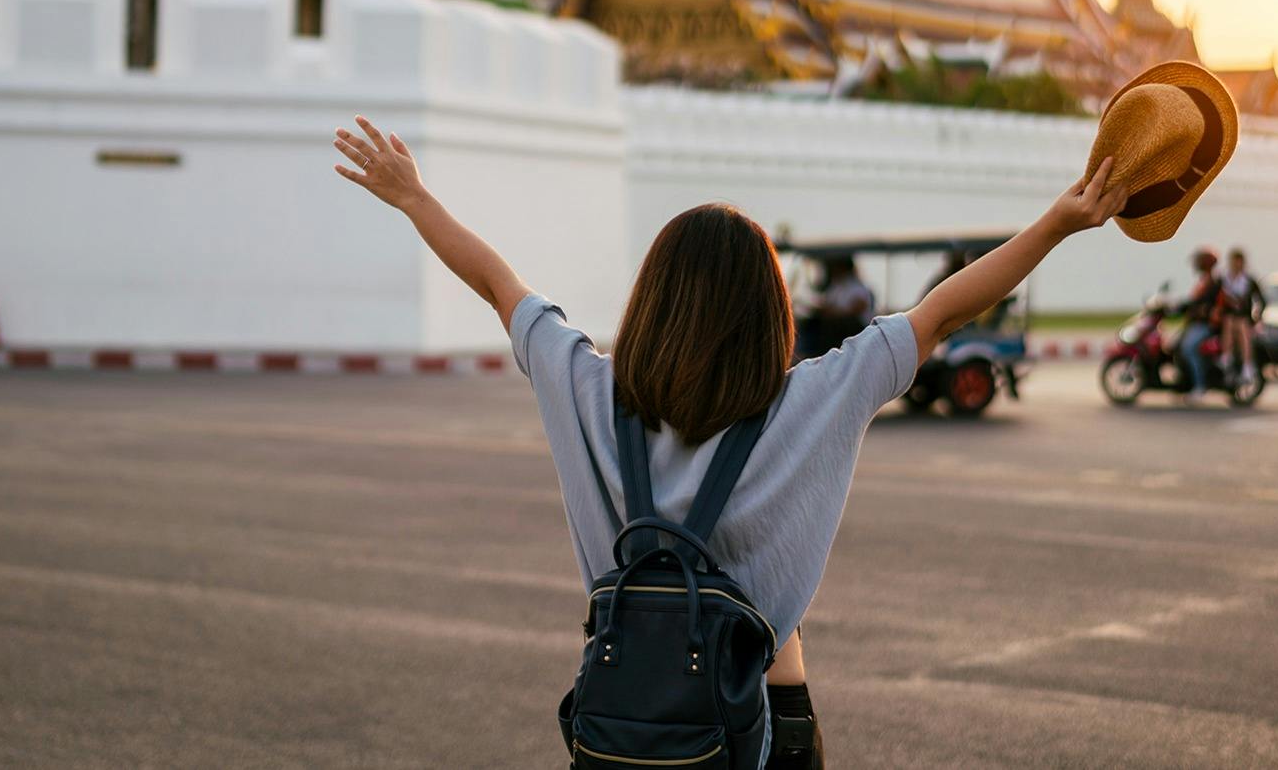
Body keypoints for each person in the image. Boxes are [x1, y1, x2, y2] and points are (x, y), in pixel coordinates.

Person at [331, 114, 1128, 768]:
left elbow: (498, 284)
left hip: (626, 719)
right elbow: (943, 312)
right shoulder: (815, 399)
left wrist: (415, 199)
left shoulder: (584, 387)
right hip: (765, 722)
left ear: (650, 300)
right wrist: (1058, 223)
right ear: (768, 313)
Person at [798, 255, 874, 359]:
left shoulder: (856, 287)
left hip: (851, 331)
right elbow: (827, 304)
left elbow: (857, 308)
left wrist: (833, 312)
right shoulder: (836, 286)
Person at [1175, 245, 1223, 399]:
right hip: (1196, 323)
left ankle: (1199, 386)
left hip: (1205, 325)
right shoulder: (1204, 281)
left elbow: (1203, 304)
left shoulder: (1213, 282)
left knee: (1189, 349)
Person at [1219, 247, 1266, 385]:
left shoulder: (1248, 281)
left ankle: (1246, 365)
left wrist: (1257, 317)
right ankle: (1227, 357)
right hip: (1227, 317)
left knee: (1239, 325)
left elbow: (1261, 300)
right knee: (1230, 321)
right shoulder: (1224, 279)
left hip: (1243, 318)